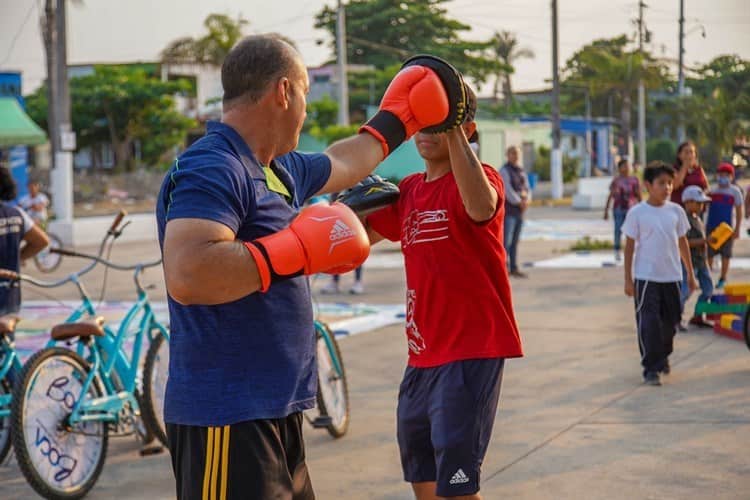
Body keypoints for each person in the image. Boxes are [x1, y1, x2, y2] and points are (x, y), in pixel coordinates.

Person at [156, 35, 462, 499]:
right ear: (284, 92)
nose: (305, 109)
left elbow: (344, 160)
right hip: (226, 417)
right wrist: (297, 247)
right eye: (304, 94)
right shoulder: (214, 166)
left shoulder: (278, 169)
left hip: (277, 409)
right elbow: (189, 272)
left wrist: (400, 119)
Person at [365, 85, 523, 500]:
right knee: (423, 478)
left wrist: (449, 121)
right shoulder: (410, 190)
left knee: (456, 487)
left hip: (470, 353)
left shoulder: (482, 178)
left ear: (465, 128)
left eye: (440, 121)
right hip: (420, 359)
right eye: (421, 121)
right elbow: (352, 237)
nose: (425, 131)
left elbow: (480, 206)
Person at [622, 162, 697, 386]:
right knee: (649, 322)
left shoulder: (676, 211)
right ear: (648, 185)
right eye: (661, 183)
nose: (667, 188)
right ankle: (651, 368)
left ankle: (662, 356)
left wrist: (690, 274)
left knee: (671, 323)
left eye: (670, 183)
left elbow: (683, 242)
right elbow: (629, 247)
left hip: (672, 276)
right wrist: (628, 279)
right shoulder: (637, 213)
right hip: (646, 278)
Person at [0, 167, 49, 317]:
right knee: (8, 339)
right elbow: (41, 241)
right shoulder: (17, 214)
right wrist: (18, 257)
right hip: (12, 296)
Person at [706, 162, 744, 289]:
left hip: (727, 229)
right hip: (711, 227)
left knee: (726, 255)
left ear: (731, 176)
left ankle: (722, 278)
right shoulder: (712, 190)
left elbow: (739, 211)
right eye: (721, 174)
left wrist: (737, 228)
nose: (723, 177)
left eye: (726, 175)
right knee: (709, 254)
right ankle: (708, 278)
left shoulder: (735, 191)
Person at [681, 186, 714, 328]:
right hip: (689, 262)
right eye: (698, 203)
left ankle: (698, 316)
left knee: (708, 289)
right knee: (685, 291)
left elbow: (702, 240)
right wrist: (705, 241)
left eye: (703, 203)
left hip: (701, 261)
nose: (702, 206)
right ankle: (676, 318)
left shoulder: (698, 219)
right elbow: (683, 243)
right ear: (688, 202)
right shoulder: (683, 220)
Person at [499, 145, 530, 278]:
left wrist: (527, 200)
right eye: (512, 153)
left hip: (520, 212)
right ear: (508, 155)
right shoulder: (504, 171)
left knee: (515, 241)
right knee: (506, 242)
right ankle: (503, 269)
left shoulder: (521, 170)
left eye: (516, 154)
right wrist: (519, 202)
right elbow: (507, 190)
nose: (515, 156)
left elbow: (527, 187)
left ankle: (514, 267)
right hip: (510, 211)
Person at [603, 159, 641, 261]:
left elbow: (638, 195)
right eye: (624, 166)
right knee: (618, 230)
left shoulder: (634, 180)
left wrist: (643, 208)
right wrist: (606, 210)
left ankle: (634, 251)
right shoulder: (616, 181)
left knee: (633, 231)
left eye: (628, 166)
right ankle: (617, 251)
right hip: (619, 209)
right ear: (619, 168)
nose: (627, 168)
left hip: (631, 209)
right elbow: (610, 195)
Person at [671, 140, 708, 205]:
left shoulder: (699, 169)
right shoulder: (674, 169)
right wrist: (685, 166)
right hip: (680, 207)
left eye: (691, 152)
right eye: (686, 152)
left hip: (697, 208)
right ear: (679, 155)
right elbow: (675, 185)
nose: (689, 155)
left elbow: (706, 187)